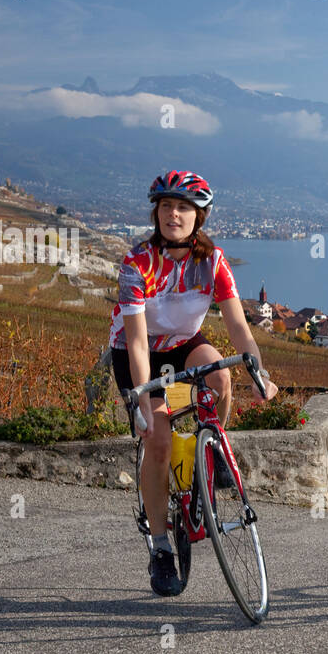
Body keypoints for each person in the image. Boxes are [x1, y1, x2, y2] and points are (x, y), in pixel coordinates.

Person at [108, 170, 278, 596]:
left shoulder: (213, 262)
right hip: (140, 352)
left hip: (184, 343)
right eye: (166, 206)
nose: (173, 214)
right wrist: (146, 403)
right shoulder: (137, 264)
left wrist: (261, 374)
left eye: (183, 207)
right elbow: (135, 341)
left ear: (199, 216)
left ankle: (213, 450)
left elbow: (238, 326)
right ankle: (162, 547)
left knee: (220, 375)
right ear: (156, 213)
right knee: (160, 440)